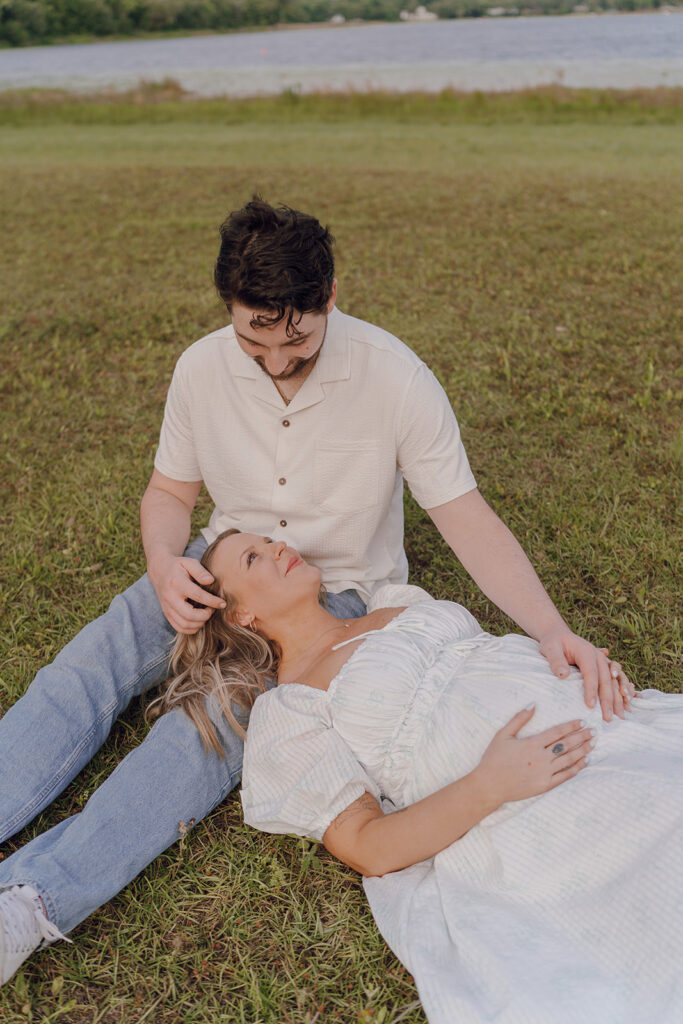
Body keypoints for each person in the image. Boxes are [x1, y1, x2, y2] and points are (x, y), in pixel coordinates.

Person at [0, 199, 631, 984]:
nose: (273, 358)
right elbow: (167, 490)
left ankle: (29, 900)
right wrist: (165, 563)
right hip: (214, 558)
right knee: (83, 673)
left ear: (329, 296)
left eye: (293, 336)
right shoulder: (202, 367)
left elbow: (463, 514)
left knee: (207, 730)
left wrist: (548, 627)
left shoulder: (395, 375)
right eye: (252, 337)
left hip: (328, 598)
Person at [179, 530, 680, 1024]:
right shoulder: (290, 709)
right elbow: (367, 846)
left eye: (271, 540)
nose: (279, 547)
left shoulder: (394, 602)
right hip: (526, 798)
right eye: (254, 557)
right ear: (242, 614)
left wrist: (572, 659)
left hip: (606, 723)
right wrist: (490, 785)